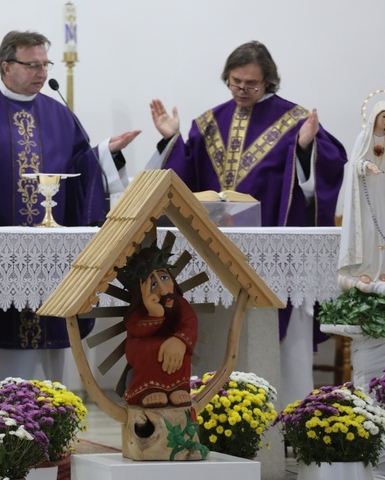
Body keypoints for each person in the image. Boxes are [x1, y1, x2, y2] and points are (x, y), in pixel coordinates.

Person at [0, 30, 140, 437]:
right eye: (32, 64)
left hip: (44, 263)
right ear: (7, 66)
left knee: (42, 343)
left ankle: (43, 434)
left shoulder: (58, 112)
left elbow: (80, 169)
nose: (42, 72)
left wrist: (106, 154)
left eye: (45, 64)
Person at [144, 41, 347, 409]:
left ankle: (287, 419)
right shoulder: (208, 122)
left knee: (284, 346)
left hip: (275, 255)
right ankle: (216, 415)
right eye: (235, 81)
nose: (242, 89)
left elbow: (329, 166)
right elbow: (182, 178)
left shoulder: (295, 120)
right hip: (214, 252)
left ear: (268, 81)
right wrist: (171, 138)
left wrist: (304, 148)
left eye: (251, 83)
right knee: (215, 336)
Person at [118, 244, 197, 408]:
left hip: (173, 342)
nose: (162, 289)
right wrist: (155, 315)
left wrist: (179, 340)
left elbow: (190, 323)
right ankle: (148, 389)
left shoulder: (179, 303)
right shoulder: (139, 309)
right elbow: (135, 329)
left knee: (179, 350)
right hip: (142, 346)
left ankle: (178, 387)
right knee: (149, 348)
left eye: (164, 278)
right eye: (153, 285)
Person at [339, 100, 385, 296]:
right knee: (369, 232)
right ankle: (364, 270)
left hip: (384, 192)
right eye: (384, 117)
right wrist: (366, 165)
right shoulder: (364, 138)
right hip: (366, 193)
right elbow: (355, 164)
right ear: (375, 116)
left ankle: (383, 270)